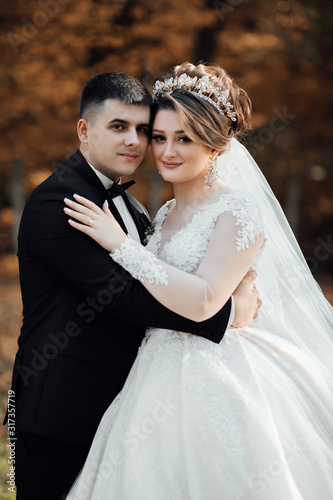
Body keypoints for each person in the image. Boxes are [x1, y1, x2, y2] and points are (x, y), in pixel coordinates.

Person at [65, 62, 333, 499]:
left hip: (217, 369)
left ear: (215, 144)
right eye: (160, 137)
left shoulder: (238, 210)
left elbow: (205, 301)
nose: (168, 151)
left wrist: (121, 246)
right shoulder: (164, 215)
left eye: (184, 138)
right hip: (151, 371)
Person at [4, 71, 260, 500]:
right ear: (84, 130)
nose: (136, 142)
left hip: (121, 397)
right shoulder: (61, 200)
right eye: (119, 127)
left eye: (144, 130)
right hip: (55, 408)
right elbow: (122, 296)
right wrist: (227, 313)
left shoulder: (140, 208)